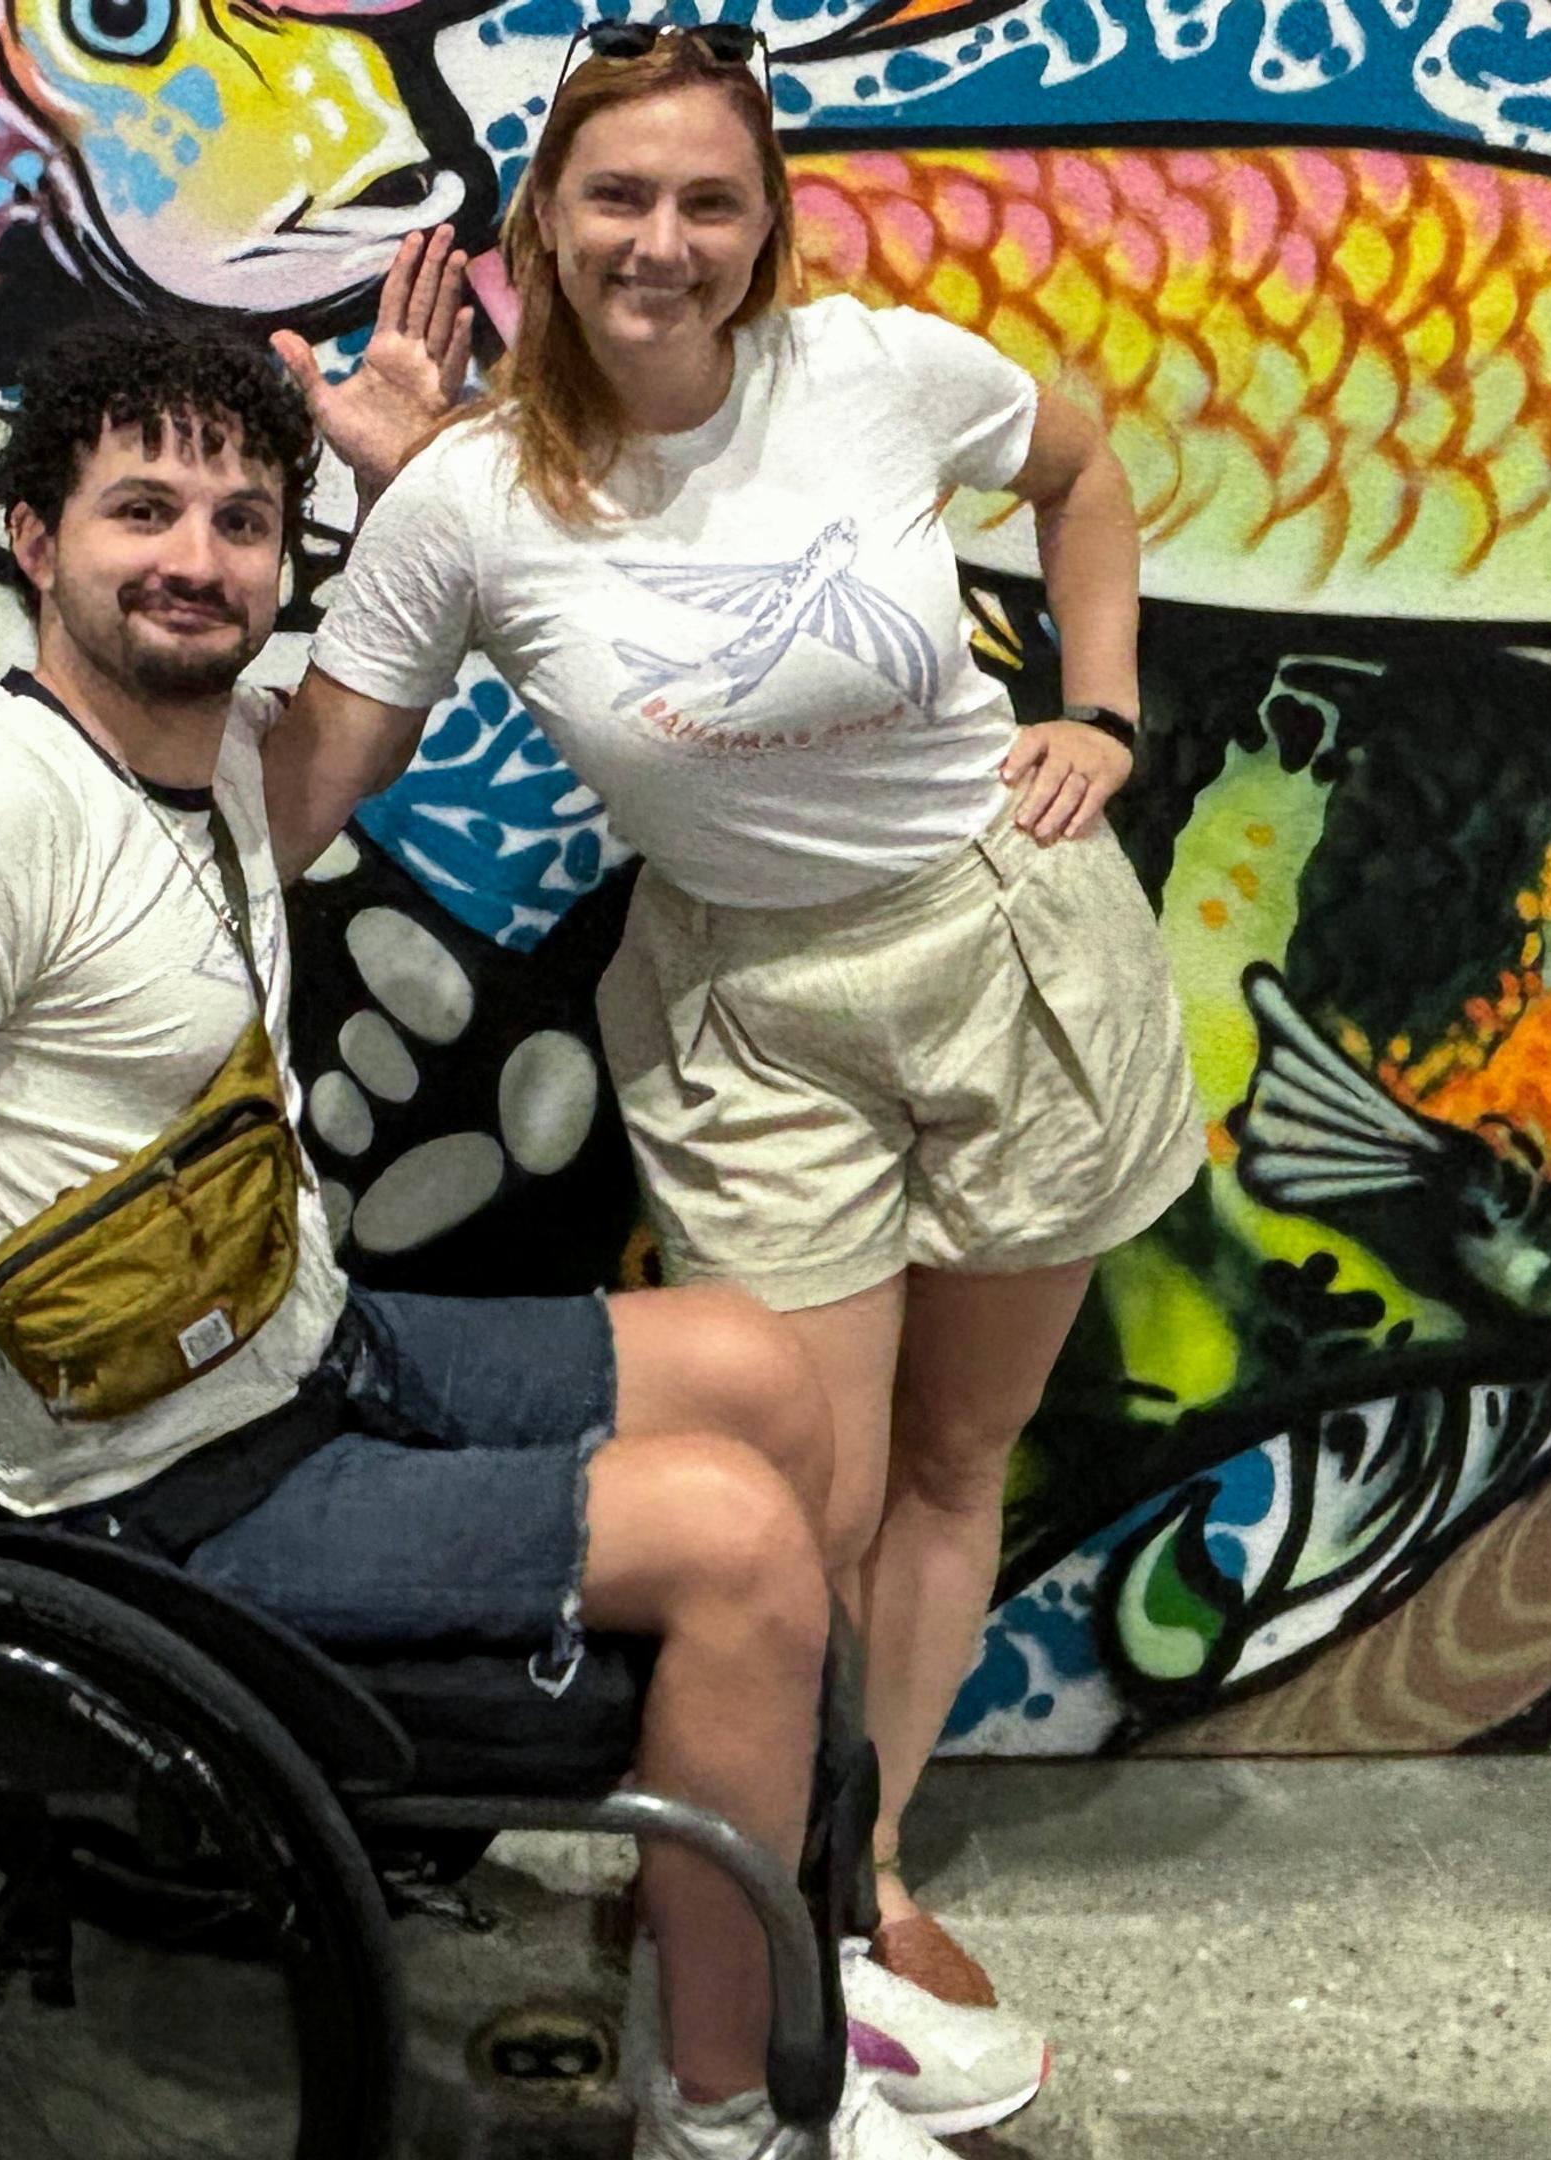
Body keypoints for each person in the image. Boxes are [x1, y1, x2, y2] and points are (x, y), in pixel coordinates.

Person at [0, 318, 1009, 2158]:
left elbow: (353, 735)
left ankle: (766, 1924)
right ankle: (728, 2114)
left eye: (240, 520)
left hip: (306, 1352)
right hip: (156, 1493)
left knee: (768, 1375)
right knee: (742, 1546)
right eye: (142, 508)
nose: (197, 558)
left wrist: (401, 475)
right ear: (32, 538)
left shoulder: (206, 762)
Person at [270, 25, 1205, 2044]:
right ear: (546, 223)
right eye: (617, 198)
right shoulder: (463, 500)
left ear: (766, 219)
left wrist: (1105, 709)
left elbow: (1087, 463)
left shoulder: (870, 372)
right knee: (810, 1499)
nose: (661, 241)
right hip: (747, 1019)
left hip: (1012, 949)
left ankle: (846, 1868)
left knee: (962, 1458)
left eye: (709, 200)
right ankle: (736, 1859)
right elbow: (303, 787)